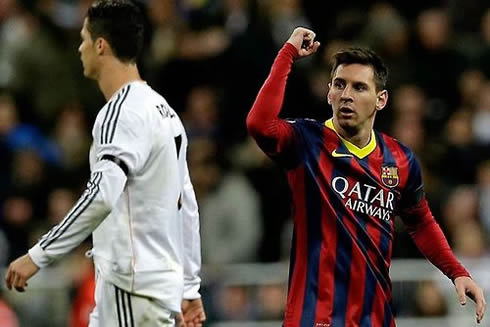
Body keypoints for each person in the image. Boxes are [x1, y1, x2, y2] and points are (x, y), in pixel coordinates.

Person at [246, 27, 486, 327]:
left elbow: (421, 222)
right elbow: (259, 125)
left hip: (376, 318)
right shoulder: (307, 142)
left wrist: (457, 271)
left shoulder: (399, 159)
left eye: (359, 87)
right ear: (329, 92)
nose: (346, 95)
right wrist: (288, 54)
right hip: (316, 317)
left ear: (380, 99)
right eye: (339, 85)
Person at [4, 1, 206, 326]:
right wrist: (189, 284)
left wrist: (38, 255)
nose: (80, 48)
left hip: (130, 286)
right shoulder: (164, 112)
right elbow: (187, 205)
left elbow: (101, 195)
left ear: (101, 45)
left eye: (84, 39)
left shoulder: (119, 113)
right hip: (154, 288)